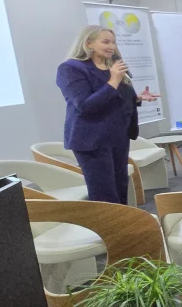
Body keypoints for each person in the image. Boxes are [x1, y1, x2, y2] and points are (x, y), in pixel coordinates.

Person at [57, 26, 142, 204]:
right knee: (104, 193)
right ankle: (109, 230)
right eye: (105, 42)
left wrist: (136, 98)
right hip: (92, 140)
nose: (111, 46)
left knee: (120, 187)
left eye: (113, 42)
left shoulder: (111, 67)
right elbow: (85, 106)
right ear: (89, 43)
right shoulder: (71, 68)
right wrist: (114, 81)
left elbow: (114, 97)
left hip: (118, 136)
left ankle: (123, 227)